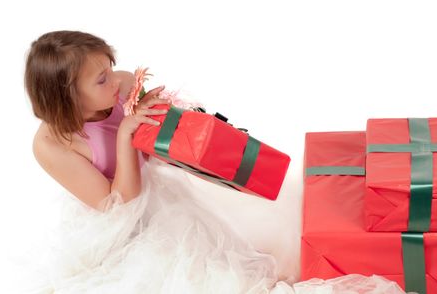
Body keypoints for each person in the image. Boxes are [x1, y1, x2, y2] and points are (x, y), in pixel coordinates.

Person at [20, 30, 408, 293]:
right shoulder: (52, 146)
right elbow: (118, 205)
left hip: (160, 188)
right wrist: (125, 135)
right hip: (121, 222)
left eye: (108, 67)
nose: (114, 79)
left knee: (269, 233)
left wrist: (161, 118)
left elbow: (154, 131)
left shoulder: (115, 83)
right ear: (67, 97)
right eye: (100, 79)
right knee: (196, 277)